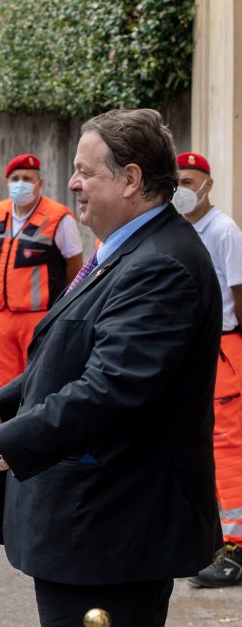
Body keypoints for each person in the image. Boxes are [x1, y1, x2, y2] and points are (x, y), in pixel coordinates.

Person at [0, 109, 222, 626]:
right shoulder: (128, 248)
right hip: (92, 528)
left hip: (113, 531)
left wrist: (1, 448)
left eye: (85, 171)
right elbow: (74, 349)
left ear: (131, 178)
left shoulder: (159, 263)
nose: (71, 183)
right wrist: (6, 405)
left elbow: (109, 391)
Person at [172, 151, 242, 588]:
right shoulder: (180, 230)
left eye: (190, 180)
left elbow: (239, 293)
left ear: (207, 185)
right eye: (177, 179)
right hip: (193, 350)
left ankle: (234, 549)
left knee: (228, 450)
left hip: (224, 350)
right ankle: (209, 538)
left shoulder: (223, 231)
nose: (182, 187)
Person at [0, 153, 83, 390]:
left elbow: (75, 265)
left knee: (37, 381)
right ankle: (2, 426)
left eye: (27, 178)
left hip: (38, 316)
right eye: (15, 178)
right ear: (7, 183)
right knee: (1, 382)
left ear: (39, 183)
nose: (20, 183)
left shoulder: (58, 217)